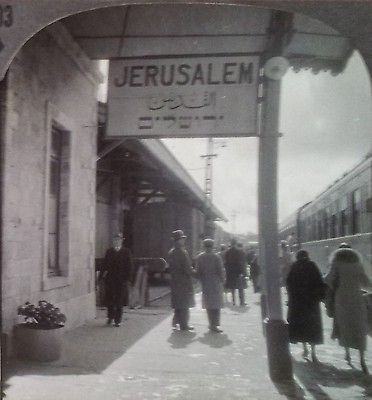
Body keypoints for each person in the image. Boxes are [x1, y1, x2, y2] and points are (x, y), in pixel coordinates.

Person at [324, 245, 371, 374]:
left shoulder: (336, 263)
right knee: (359, 326)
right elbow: (366, 282)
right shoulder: (357, 263)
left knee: (345, 326)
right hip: (357, 298)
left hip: (342, 299)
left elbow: (328, 279)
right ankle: (362, 359)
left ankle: (348, 354)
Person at [286, 250, 325, 362]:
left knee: (301, 326)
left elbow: (289, 283)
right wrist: (320, 297)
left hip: (298, 303)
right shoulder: (312, 265)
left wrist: (291, 298)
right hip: (311, 303)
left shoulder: (295, 266)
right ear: (307, 256)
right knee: (312, 327)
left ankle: (305, 349)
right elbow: (320, 282)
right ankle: (313, 352)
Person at [99, 233, 134, 327]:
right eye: (115, 240)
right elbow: (104, 265)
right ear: (113, 241)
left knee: (119, 301)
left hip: (121, 281)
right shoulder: (109, 251)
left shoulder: (126, 252)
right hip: (110, 280)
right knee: (110, 300)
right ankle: (110, 317)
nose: (116, 241)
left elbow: (130, 266)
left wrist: (128, 279)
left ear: (122, 241)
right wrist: (100, 277)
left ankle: (117, 320)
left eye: (118, 240)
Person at [195, 238, 226, 333]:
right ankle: (215, 325)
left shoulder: (200, 257)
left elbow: (198, 271)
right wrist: (223, 280)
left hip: (205, 282)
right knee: (216, 305)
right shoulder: (216, 257)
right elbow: (220, 270)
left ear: (204, 246)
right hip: (215, 282)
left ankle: (210, 324)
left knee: (209, 304)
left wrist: (200, 280)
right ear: (212, 246)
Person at [167, 229, 195, 331]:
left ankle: (175, 322)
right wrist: (195, 273)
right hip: (183, 281)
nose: (183, 241)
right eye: (182, 239)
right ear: (178, 240)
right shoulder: (183, 252)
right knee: (184, 304)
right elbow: (188, 268)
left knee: (177, 303)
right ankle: (184, 325)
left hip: (175, 281)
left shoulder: (171, 252)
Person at [224, 239, 248, 306]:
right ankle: (242, 302)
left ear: (231, 243)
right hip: (238, 271)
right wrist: (244, 272)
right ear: (236, 243)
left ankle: (234, 301)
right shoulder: (240, 251)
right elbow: (242, 262)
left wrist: (227, 270)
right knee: (240, 287)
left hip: (230, 271)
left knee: (232, 288)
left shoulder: (227, 252)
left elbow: (225, 262)